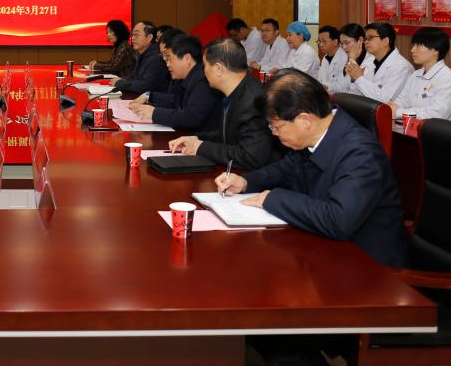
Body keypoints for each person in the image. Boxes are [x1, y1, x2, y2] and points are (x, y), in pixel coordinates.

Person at [215, 69, 407, 268]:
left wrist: (272, 198)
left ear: (305, 120)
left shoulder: (362, 154)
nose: (274, 133)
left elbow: (338, 220)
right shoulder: (315, 136)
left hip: (368, 269)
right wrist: (245, 182)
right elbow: (284, 169)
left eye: (276, 126)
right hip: (325, 252)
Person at [168, 38, 280, 169]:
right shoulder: (236, 89)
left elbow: (250, 156)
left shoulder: (254, 100)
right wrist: (195, 138)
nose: (203, 71)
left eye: (205, 66)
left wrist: (200, 147)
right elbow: (226, 136)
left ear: (218, 69)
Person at [127, 34, 220, 132]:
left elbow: (191, 117)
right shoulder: (188, 77)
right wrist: (149, 96)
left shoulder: (202, 80)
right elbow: (174, 101)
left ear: (187, 58)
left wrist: (154, 113)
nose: (167, 64)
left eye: (170, 59)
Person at [389, 27, 451, 123]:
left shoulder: (448, 78)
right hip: (418, 127)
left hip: (448, 131)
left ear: (436, 50)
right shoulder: (416, 74)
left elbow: (437, 114)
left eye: (419, 45)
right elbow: (403, 99)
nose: (412, 50)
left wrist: (398, 112)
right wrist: (392, 107)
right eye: (413, 45)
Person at [345, 22, 413, 103]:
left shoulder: (402, 67)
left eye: (370, 38)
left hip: (391, 110)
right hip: (366, 107)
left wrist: (359, 78)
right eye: (366, 38)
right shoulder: (369, 62)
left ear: (385, 41)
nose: (366, 42)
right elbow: (357, 93)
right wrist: (354, 77)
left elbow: (385, 100)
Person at [112, 21, 171, 96]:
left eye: (136, 35)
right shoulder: (144, 53)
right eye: (132, 35)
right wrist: (123, 80)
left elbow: (145, 86)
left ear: (149, 38)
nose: (133, 38)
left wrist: (121, 83)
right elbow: (134, 76)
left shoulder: (156, 57)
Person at [316, 25, 349, 94]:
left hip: (342, 97)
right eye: (319, 41)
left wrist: (327, 86)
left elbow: (345, 86)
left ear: (335, 42)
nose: (321, 45)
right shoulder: (325, 58)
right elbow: (320, 79)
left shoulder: (345, 58)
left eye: (324, 41)